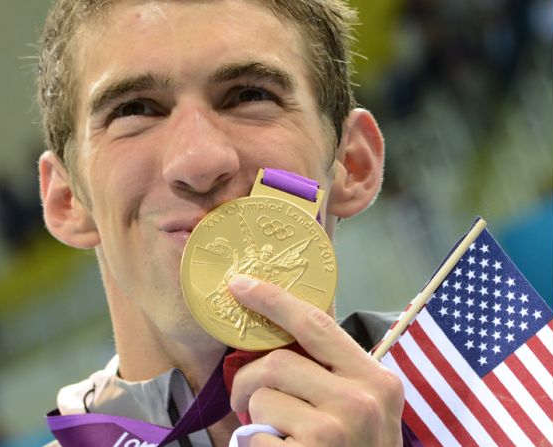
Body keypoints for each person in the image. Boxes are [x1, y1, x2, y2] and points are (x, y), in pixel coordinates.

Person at [35, 0, 406, 445]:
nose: (199, 161)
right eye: (135, 109)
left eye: (249, 95)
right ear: (66, 201)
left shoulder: (495, 409)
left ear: (352, 165)